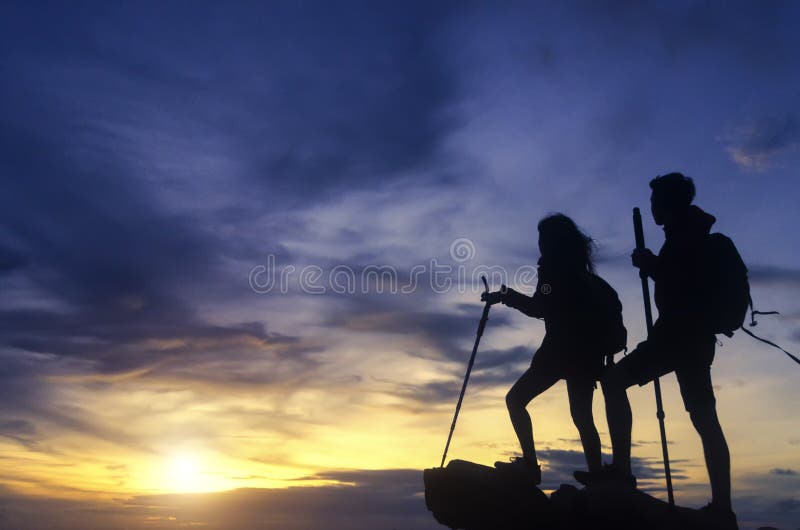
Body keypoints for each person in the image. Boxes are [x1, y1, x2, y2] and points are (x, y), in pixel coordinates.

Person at [582, 173, 736, 526]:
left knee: (613, 379)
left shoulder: (687, 236)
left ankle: (621, 470)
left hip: (678, 338)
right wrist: (655, 267)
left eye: (656, 201)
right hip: (691, 340)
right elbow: (681, 280)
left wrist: (653, 266)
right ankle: (723, 507)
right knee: (704, 418)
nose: (652, 206)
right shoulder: (689, 233)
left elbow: (684, 285)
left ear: (670, 202)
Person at [481, 214, 626, 485]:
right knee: (582, 416)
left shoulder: (550, 271)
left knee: (515, 400)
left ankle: (530, 466)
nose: (539, 244)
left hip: (559, 354)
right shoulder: (584, 274)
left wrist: (505, 297)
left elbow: (540, 306)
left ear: (550, 241)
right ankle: (596, 474)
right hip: (587, 357)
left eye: (541, 238)